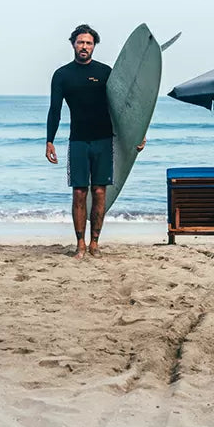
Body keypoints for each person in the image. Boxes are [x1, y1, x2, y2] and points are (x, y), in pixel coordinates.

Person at [45, 23, 145, 259]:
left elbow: (123, 107)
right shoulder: (62, 75)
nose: (84, 46)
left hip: (103, 140)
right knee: (79, 192)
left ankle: (95, 243)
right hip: (78, 140)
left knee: (99, 192)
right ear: (73, 44)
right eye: (80, 42)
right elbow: (55, 111)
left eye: (89, 43)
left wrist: (137, 133)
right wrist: (49, 140)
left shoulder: (105, 72)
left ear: (94, 46)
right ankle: (80, 244)